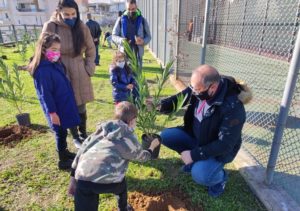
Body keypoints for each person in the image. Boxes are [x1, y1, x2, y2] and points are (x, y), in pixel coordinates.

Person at [157, 65, 251, 197]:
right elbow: (182, 97)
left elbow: (224, 144)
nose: (193, 92)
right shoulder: (199, 88)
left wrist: (193, 155)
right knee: (166, 136)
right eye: (192, 88)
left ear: (212, 88)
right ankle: (197, 160)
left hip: (217, 150)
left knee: (201, 175)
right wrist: (159, 106)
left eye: (197, 90)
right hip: (197, 138)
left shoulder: (233, 108)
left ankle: (220, 179)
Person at [67, 101, 160, 211]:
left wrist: (73, 179)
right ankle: (123, 208)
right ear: (132, 121)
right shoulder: (128, 138)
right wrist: (152, 147)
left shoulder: (99, 130)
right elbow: (142, 157)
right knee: (121, 187)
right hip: (109, 182)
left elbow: (81, 151)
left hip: (83, 178)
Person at [42, 0, 96, 149]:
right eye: (66, 14)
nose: (70, 17)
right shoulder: (51, 26)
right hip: (60, 70)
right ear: (59, 12)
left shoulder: (82, 26)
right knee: (68, 105)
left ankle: (83, 132)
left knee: (81, 105)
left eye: (73, 14)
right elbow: (42, 48)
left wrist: (89, 67)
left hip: (80, 70)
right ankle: (75, 136)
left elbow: (91, 49)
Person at [28, 32, 80, 170]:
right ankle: (62, 161)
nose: (57, 53)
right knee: (60, 132)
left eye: (58, 49)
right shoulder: (42, 71)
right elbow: (45, 95)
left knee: (63, 130)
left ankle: (64, 152)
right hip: (56, 108)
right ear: (44, 49)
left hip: (63, 104)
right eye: (54, 50)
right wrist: (52, 113)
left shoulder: (55, 64)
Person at [112, 0, 151, 68]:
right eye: (129, 9)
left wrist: (143, 41)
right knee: (123, 78)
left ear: (136, 7)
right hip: (123, 56)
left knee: (136, 78)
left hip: (137, 56)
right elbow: (113, 36)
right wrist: (121, 40)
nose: (131, 11)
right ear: (126, 8)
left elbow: (149, 36)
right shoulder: (120, 20)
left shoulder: (143, 20)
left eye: (133, 9)